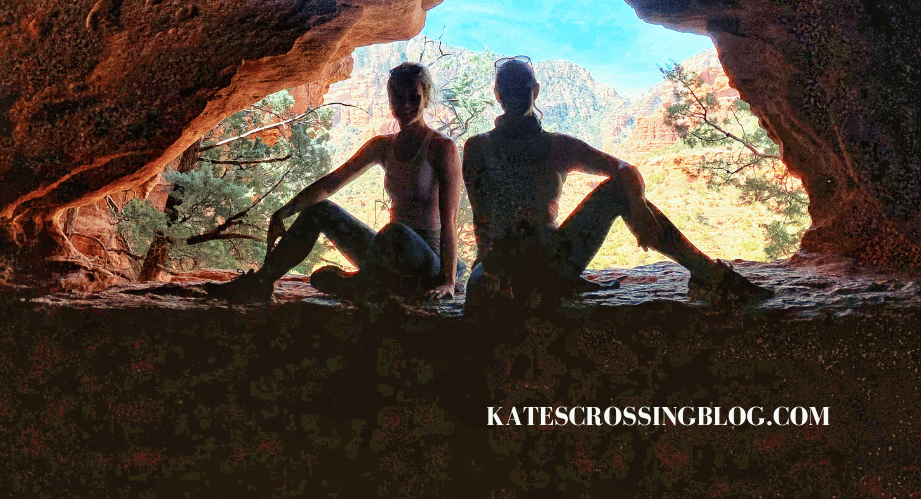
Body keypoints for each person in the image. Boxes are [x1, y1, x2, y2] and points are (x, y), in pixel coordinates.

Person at [461, 57, 770, 312]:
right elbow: (482, 219)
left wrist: (637, 204)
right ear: (499, 94)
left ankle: (706, 273)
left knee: (622, 188)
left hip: (535, 262)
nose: (515, 95)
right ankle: (707, 274)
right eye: (508, 89)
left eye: (522, 88)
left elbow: (626, 169)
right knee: (620, 191)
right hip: (542, 265)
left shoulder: (541, 146)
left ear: (535, 91)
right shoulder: (495, 148)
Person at [209, 62, 463, 305]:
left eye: (414, 97)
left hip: (427, 261)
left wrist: (449, 282)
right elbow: (330, 184)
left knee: (396, 231)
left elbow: (449, 220)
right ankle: (261, 282)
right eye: (398, 97)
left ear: (426, 98)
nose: (405, 104)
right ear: (389, 100)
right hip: (385, 255)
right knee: (321, 209)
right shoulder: (383, 146)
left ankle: (361, 285)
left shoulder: (441, 148)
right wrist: (284, 211)